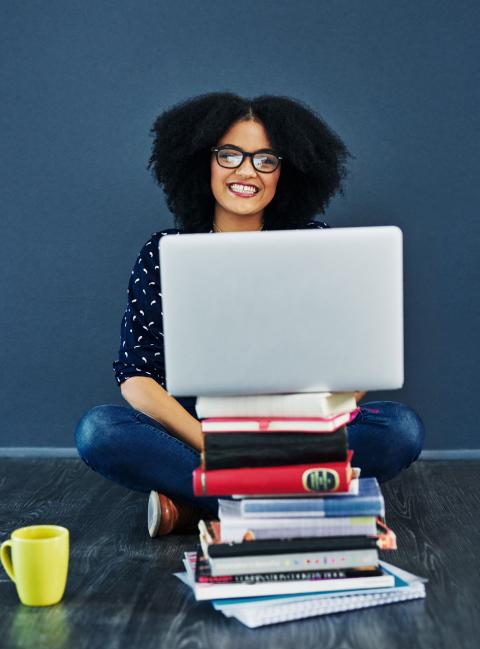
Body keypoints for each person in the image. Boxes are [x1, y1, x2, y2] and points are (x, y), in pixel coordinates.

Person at [74, 92, 425, 537]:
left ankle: (202, 506)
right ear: (204, 162)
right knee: (100, 431)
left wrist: (310, 427)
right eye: (230, 155)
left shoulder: (318, 246)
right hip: (198, 426)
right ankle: (296, 504)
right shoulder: (161, 253)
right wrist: (213, 446)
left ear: (285, 172)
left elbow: (355, 365)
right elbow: (136, 375)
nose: (246, 171)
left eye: (265, 159)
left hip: (300, 426)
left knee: (399, 429)